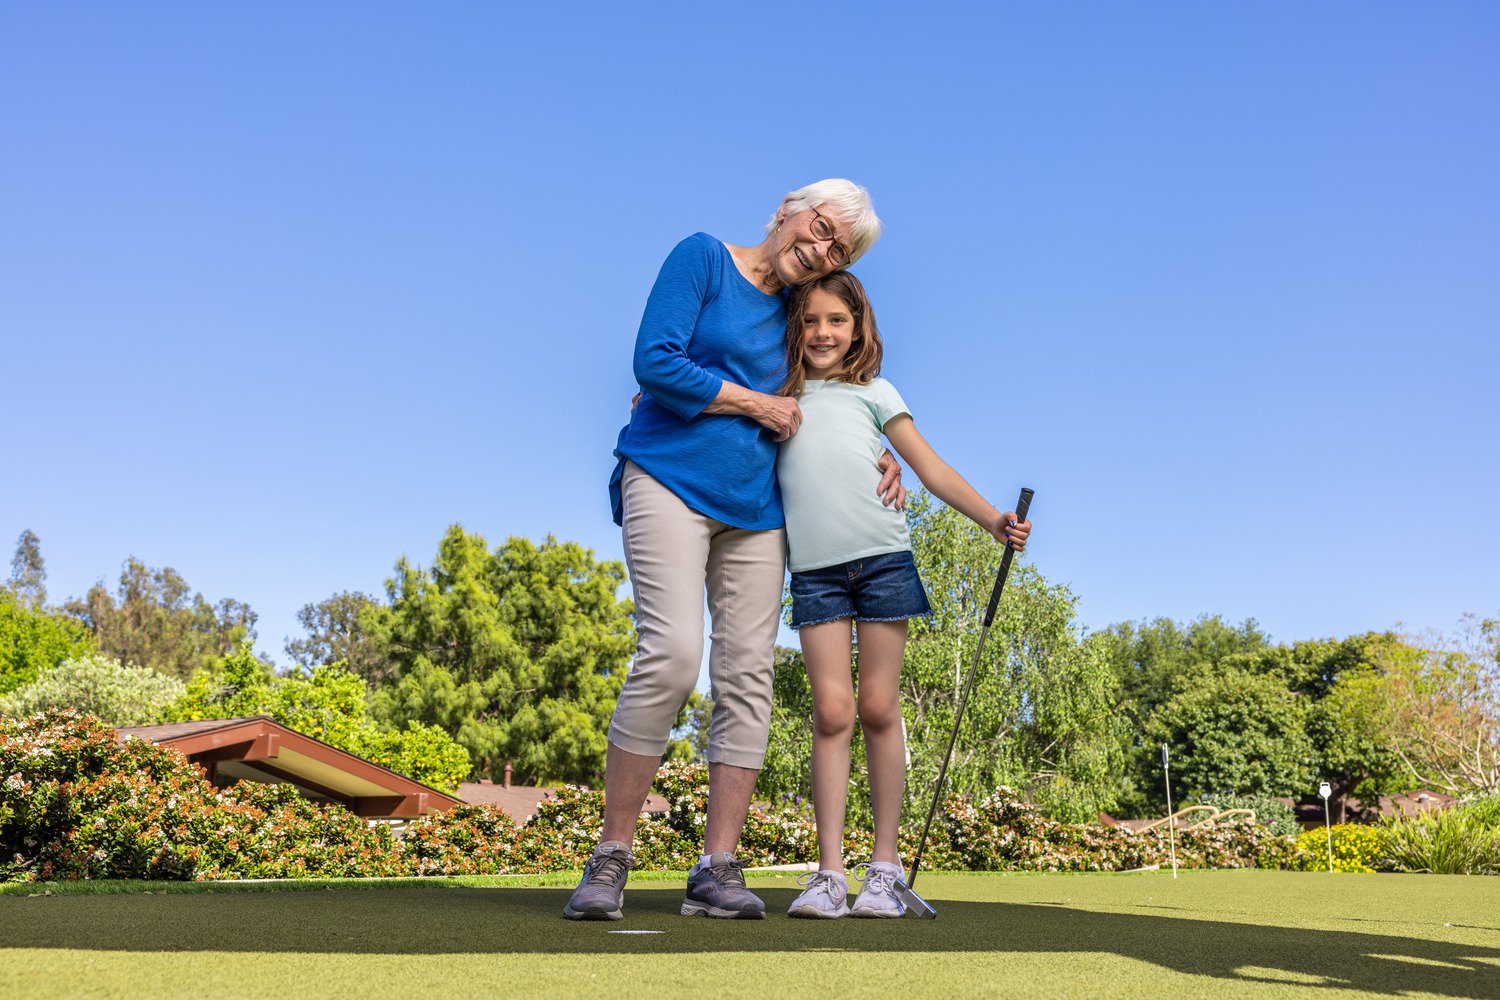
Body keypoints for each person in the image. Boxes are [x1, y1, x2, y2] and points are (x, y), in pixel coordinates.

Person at [566, 180, 902, 921]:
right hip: (667, 478)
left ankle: (717, 867)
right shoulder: (704, 260)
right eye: (818, 229)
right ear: (788, 208)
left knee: (748, 675)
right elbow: (654, 362)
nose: (819, 250)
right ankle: (611, 856)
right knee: (674, 653)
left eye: (837, 250)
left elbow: (836, 390)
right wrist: (751, 402)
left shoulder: (798, 314)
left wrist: (879, 453)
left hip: (758, 511)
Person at [776, 271, 1032, 918]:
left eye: (836, 320)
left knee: (879, 708)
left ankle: (882, 871)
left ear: (858, 327)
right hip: (815, 572)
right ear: (792, 329)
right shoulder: (777, 394)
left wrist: (992, 519)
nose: (822, 333)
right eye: (810, 321)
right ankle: (828, 874)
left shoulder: (875, 393)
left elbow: (931, 468)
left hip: (884, 562)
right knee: (832, 712)